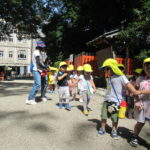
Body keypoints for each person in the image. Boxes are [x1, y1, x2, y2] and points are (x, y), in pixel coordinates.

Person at [97, 58, 140, 139]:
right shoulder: (109, 78)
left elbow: (129, 86)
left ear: (112, 68)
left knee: (115, 118)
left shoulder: (121, 77)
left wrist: (136, 95)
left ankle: (114, 130)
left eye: (106, 69)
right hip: (106, 100)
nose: (105, 71)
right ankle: (102, 128)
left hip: (116, 102)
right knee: (103, 116)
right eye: (104, 69)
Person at [130, 58, 150, 147]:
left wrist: (141, 92)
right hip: (142, 105)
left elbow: (140, 91)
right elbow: (135, 91)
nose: (149, 70)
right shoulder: (140, 79)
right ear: (144, 68)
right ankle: (135, 136)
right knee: (140, 123)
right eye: (147, 68)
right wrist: (137, 101)